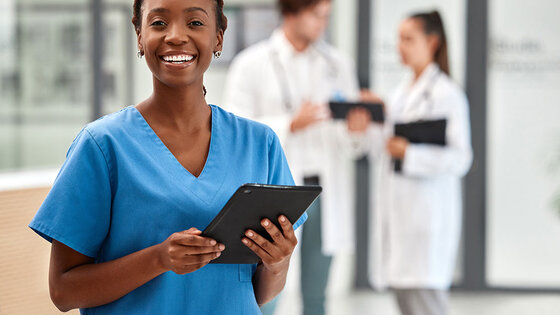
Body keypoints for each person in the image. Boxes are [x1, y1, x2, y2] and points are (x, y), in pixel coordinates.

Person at [28, 0, 306, 313]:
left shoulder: (260, 144)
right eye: (159, 23)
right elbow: (63, 291)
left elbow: (262, 293)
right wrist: (159, 259)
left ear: (219, 36)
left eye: (195, 23)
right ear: (139, 35)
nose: (175, 36)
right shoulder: (102, 146)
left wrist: (278, 262)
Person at [223, 0, 363, 314]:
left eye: (327, 17)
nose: (322, 24)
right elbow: (236, 129)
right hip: (276, 190)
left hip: (323, 188)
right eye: (316, 16)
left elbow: (349, 142)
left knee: (317, 291)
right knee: (267, 288)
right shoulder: (252, 63)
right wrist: (290, 124)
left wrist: (355, 131)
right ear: (292, 11)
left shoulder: (338, 64)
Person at [349, 10, 473, 315]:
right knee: (408, 302)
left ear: (432, 42)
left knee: (426, 303)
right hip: (401, 217)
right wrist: (371, 123)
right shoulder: (401, 94)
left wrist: (411, 153)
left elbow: (461, 158)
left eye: (408, 39)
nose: (399, 47)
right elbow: (385, 150)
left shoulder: (448, 94)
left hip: (426, 220)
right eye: (398, 39)